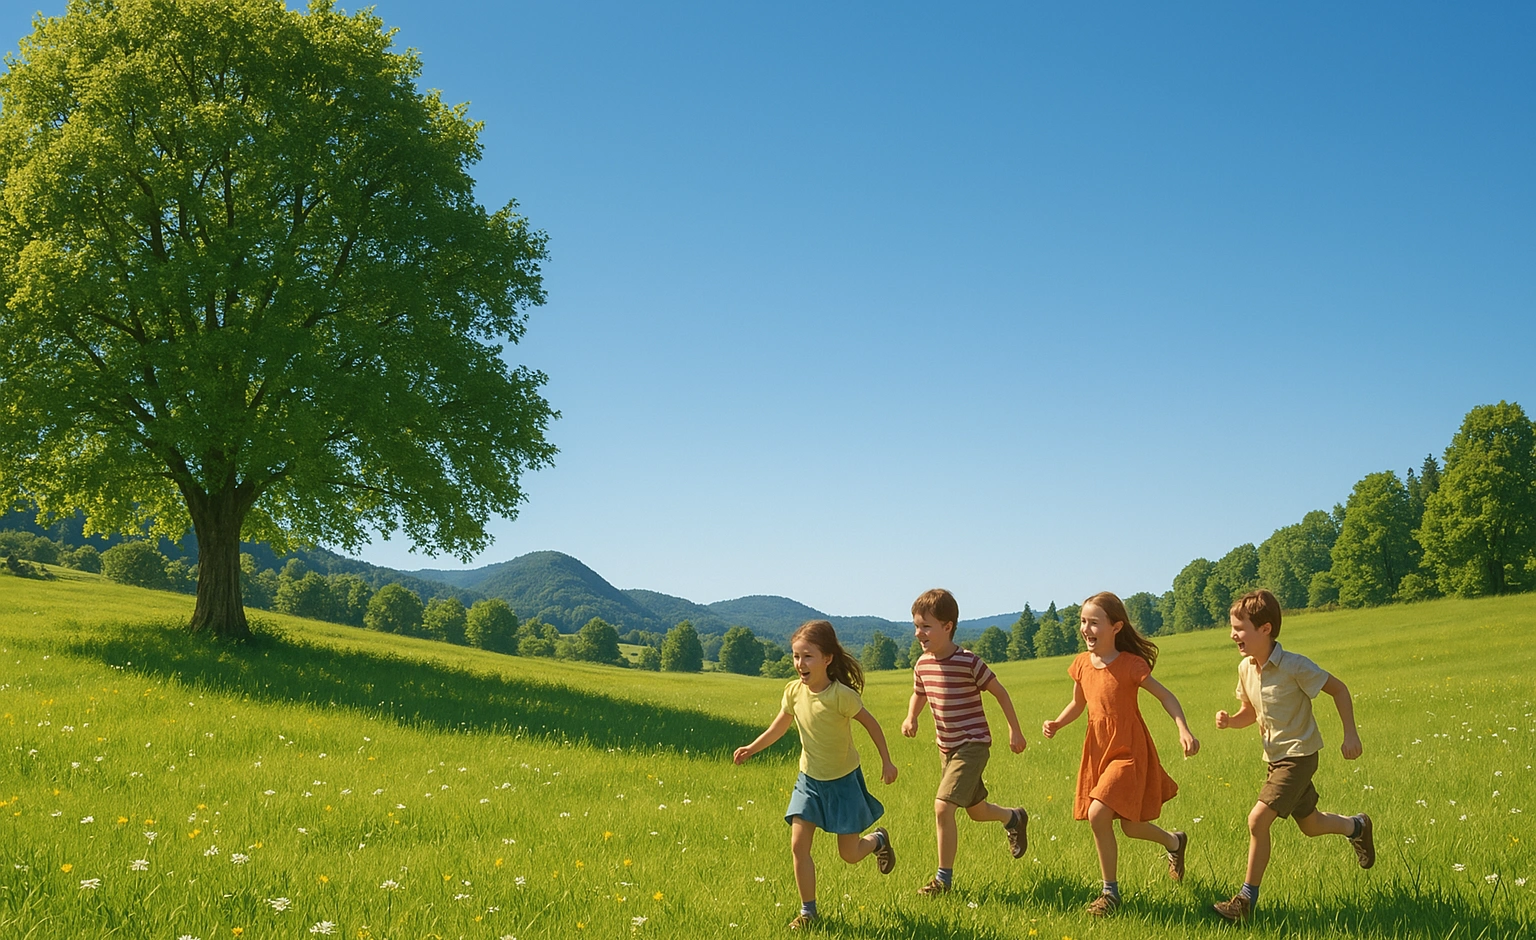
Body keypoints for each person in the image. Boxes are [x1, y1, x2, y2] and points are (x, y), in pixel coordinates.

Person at [1211, 589, 1374, 922]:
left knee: (1257, 820)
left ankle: (1245, 901)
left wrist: (1351, 734)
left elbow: (1338, 689)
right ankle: (1356, 827)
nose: (1233, 635)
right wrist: (1231, 721)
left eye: (1240, 628)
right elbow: (1249, 712)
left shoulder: (1294, 665)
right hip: (1276, 760)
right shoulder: (1246, 669)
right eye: (1233, 628)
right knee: (1311, 825)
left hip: (1299, 756)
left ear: (1265, 629)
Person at [1042, 591, 1199, 916]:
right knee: (1130, 826)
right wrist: (1057, 723)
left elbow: (1166, 697)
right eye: (1083, 621)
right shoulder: (1082, 665)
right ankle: (1174, 842)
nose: (1086, 628)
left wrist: (1183, 729)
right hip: (1099, 751)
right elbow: (1079, 703)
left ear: (1116, 627)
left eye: (1094, 622)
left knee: (1098, 813)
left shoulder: (1130, 665)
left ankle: (1109, 893)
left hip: (1129, 751)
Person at [734, 619, 899, 930]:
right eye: (796, 656)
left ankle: (878, 841)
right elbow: (779, 727)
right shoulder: (793, 692)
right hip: (809, 781)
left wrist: (887, 762)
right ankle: (808, 913)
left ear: (827, 659)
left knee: (849, 855)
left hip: (843, 782)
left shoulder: (841, 696)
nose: (800, 663)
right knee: (798, 846)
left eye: (807, 656)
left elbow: (872, 725)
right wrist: (752, 748)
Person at [901, 588, 1029, 897]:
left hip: (973, 745)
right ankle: (1014, 817)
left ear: (948, 626)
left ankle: (942, 880)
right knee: (976, 810)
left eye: (926, 626)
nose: (919, 632)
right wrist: (911, 717)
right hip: (946, 747)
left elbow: (999, 691)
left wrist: (1015, 730)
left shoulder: (968, 661)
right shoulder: (923, 664)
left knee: (943, 807)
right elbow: (920, 693)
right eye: (916, 625)